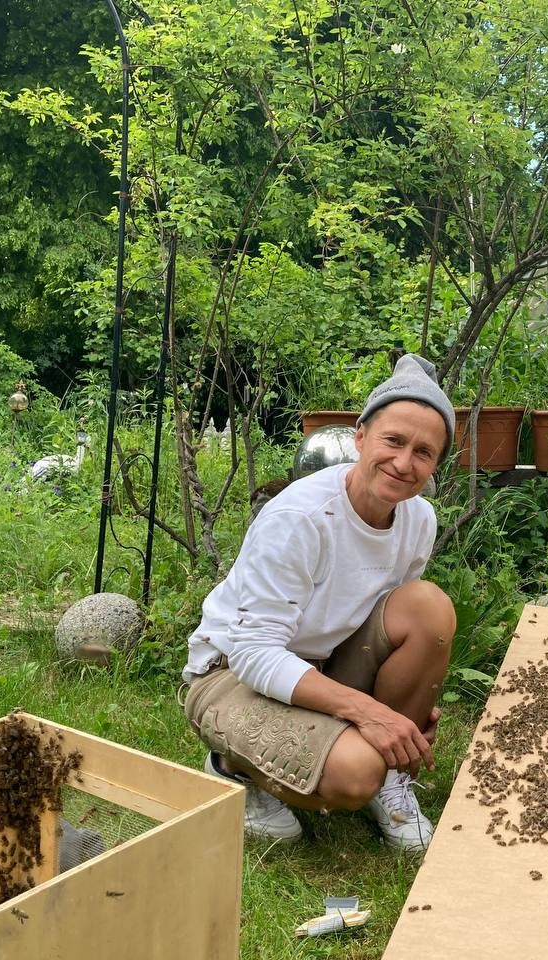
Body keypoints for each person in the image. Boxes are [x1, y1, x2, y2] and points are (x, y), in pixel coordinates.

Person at [182, 355, 457, 853]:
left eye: (424, 452)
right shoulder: (300, 516)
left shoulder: (419, 520)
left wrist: (409, 707)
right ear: (361, 437)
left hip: (323, 665)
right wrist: (371, 711)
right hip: (233, 674)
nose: (403, 463)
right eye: (393, 441)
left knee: (429, 607)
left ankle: (392, 780)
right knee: (356, 773)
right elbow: (254, 653)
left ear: (436, 464)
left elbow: (391, 615)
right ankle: (233, 769)